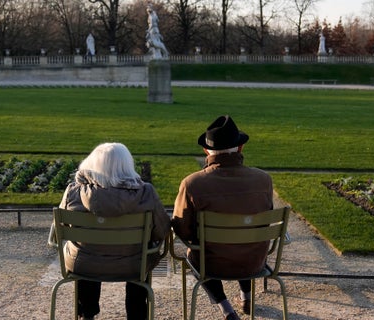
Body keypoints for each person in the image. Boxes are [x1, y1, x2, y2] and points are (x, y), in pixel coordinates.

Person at [172, 115, 274, 320]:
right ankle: (246, 297)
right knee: (245, 237)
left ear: (205, 151)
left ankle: (227, 310)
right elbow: (265, 221)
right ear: (240, 148)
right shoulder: (263, 180)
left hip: (212, 263)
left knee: (196, 254)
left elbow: (182, 229)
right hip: (254, 262)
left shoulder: (192, 183)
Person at [58, 142, 170, 320]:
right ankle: (137, 315)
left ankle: (86, 312)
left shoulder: (73, 192)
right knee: (141, 257)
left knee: (87, 251)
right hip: (133, 265)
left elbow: (59, 234)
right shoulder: (146, 192)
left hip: (85, 265)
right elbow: (162, 231)